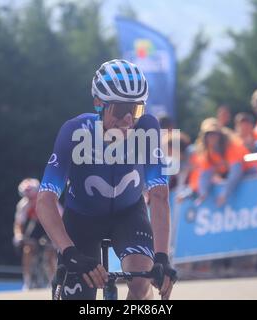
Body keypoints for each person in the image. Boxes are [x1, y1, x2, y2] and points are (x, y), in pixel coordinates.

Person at [36, 59, 177, 300]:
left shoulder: (148, 128)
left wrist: (162, 257)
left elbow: (159, 195)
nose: (128, 120)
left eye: (136, 110)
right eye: (121, 110)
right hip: (82, 219)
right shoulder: (73, 131)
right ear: (99, 104)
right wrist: (68, 251)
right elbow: (45, 200)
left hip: (129, 214)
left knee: (142, 282)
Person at [192, 118, 257, 207]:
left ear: (220, 135)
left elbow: (236, 172)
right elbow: (205, 176)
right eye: (208, 134)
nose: (212, 137)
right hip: (232, 178)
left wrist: (224, 194)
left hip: (250, 175)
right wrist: (203, 194)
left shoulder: (232, 147)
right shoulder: (207, 154)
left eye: (215, 134)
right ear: (204, 138)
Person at [13, 178, 58, 290]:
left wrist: (56, 240)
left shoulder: (47, 201)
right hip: (36, 225)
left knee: (50, 252)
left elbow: (59, 220)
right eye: (27, 197)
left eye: (32, 196)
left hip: (49, 225)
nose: (30, 199)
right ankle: (27, 281)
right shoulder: (23, 205)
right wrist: (18, 236)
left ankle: (54, 281)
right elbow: (19, 224)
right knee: (27, 249)